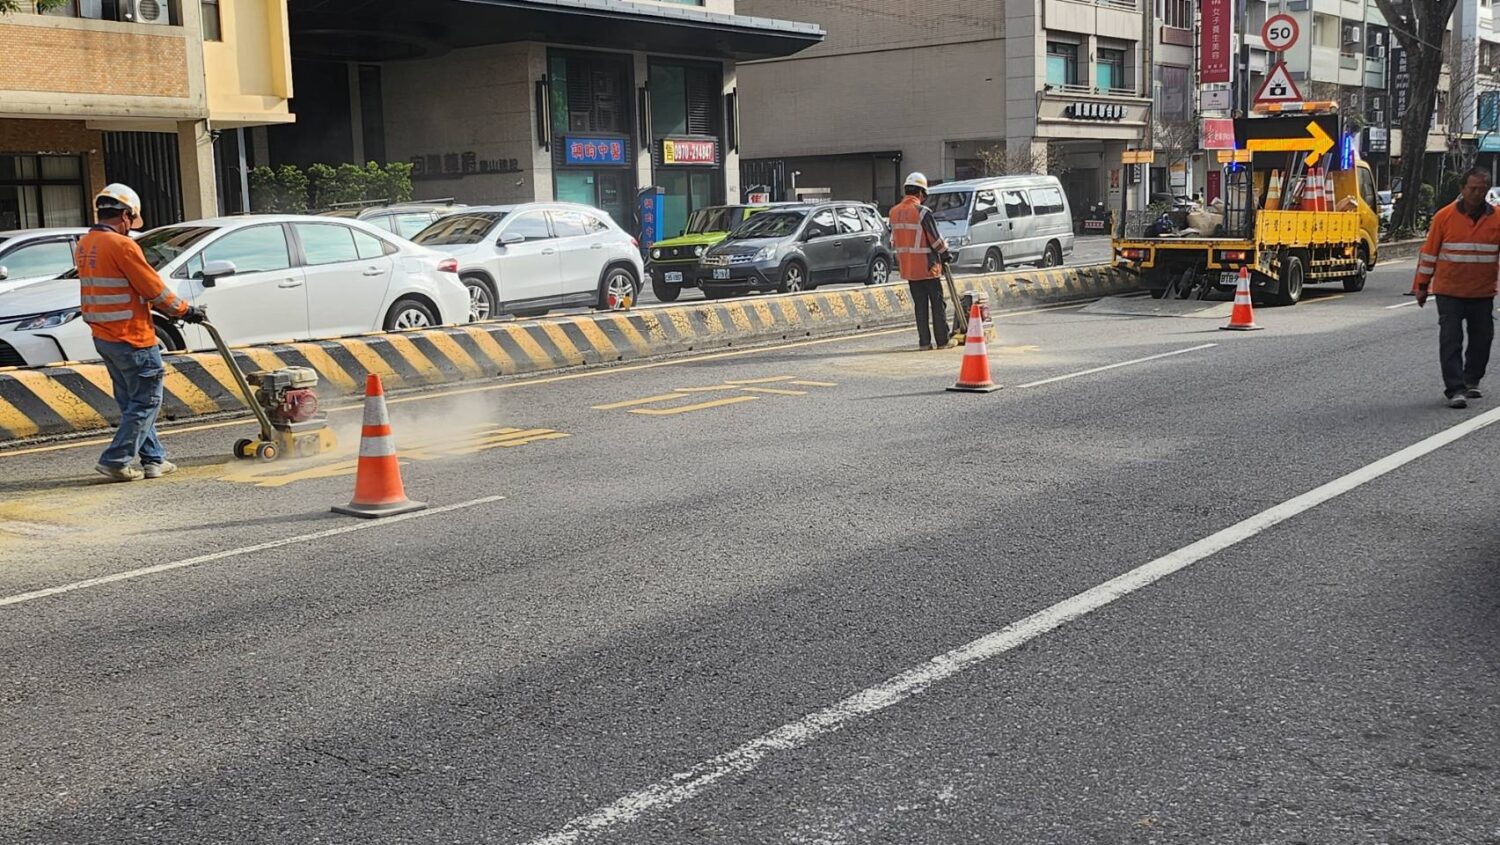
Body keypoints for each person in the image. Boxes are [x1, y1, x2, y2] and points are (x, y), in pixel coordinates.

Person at [78, 183, 206, 481]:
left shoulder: (86, 244)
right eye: (130, 220)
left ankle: (154, 459)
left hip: (104, 336)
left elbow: (122, 288)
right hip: (132, 337)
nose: (129, 226)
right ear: (125, 215)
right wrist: (185, 310)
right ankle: (116, 460)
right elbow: (153, 289)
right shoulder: (123, 246)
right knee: (146, 401)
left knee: (132, 402)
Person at [1414, 168, 1500, 409]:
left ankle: (1472, 380)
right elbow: (1429, 254)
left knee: (1482, 339)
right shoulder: (1444, 217)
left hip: (1482, 292)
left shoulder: (1497, 218)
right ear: (1462, 189)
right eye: (1472, 189)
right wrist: (1421, 286)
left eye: (1482, 190)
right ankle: (1455, 389)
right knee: (1451, 339)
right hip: (1449, 291)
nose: (1476, 193)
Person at [889, 172, 954, 350]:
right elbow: (935, 239)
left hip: (909, 269)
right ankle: (942, 340)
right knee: (937, 304)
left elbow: (894, 240)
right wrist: (945, 253)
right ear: (921, 193)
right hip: (927, 266)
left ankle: (924, 342)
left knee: (920, 307)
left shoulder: (893, 212)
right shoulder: (922, 212)